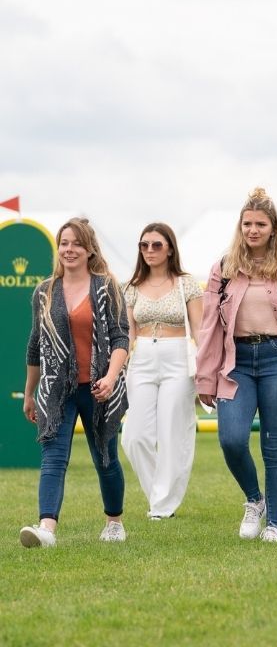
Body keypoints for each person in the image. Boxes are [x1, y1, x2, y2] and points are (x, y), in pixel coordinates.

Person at [195, 188, 277, 542]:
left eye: (260, 224)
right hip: (235, 362)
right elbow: (209, 326)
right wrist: (205, 378)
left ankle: (274, 524)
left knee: (275, 445)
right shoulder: (223, 267)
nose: (253, 230)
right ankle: (255, 499)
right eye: (247, 223)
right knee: (232, 439)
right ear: (240, 227)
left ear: (273, 228)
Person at [20, 218, 129, 548]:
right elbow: (36, 345)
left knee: (105, 459)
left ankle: (114, 521)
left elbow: (120, 337)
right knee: (53, 457)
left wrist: (110, 378)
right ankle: (47, 529)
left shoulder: (106, 286)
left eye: (76, 244)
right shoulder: (45, 291)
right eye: (64, 243)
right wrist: (29, 394)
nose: (69, 249)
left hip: (98, 388)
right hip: (56, 389)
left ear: (89, 249)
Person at [121, 223, 204, 520]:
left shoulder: (187, 283)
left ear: (170, 247)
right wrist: (116, 368)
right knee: (134, 436)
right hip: (141, 358)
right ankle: (160, 494)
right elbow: (126, 334)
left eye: (156, 245)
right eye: (144, 245)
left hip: (178, 358)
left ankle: (162, 506)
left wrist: (206, 368)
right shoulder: (130, 287)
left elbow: (200, 329)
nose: (149, 251)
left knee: (173, 432)